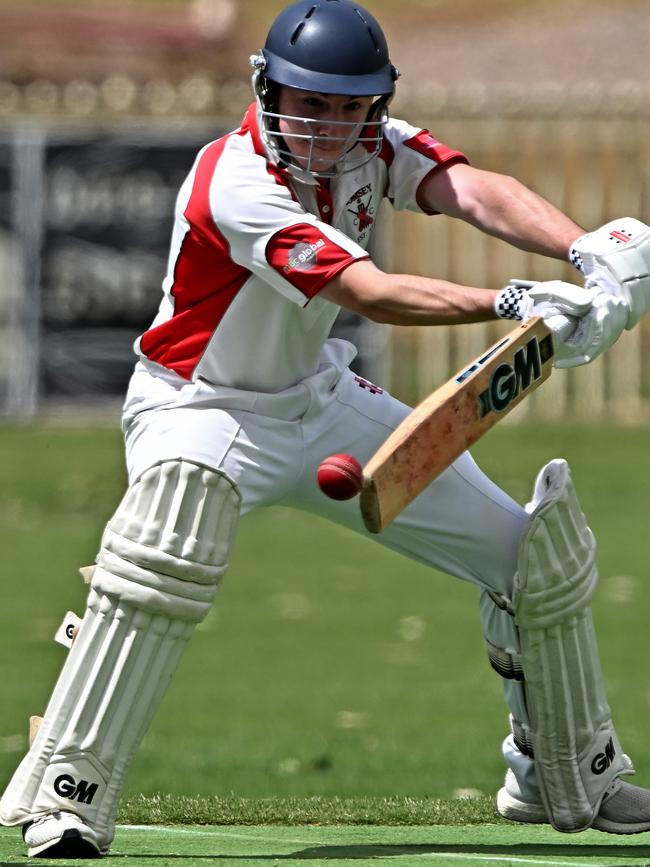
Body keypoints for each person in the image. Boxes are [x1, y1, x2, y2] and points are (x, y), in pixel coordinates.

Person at [3, 0, 650, 857]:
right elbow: (367, 291)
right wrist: (510, 301)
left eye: (352, 106)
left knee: (536, 556)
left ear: (374, 105)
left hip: (315, 400)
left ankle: (566, 772)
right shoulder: (232, 180)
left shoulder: (370, 146)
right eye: (311, 103)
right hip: (198, 408)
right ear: (268, 89)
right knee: (165, 550)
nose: (330, 125)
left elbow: (469, 188)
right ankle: (68, 796)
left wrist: (584, 252)